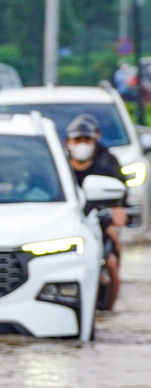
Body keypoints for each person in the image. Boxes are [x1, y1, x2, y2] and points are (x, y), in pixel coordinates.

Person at [66, 113, 130, 310]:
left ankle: (109, 305)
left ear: (95, 140)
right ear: (68, 142)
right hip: (68, 220)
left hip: (99, 216)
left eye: (87, 140)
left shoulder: (106, 162)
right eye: (78, 140)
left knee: (111, 255)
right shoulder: (59, 164)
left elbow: (121, 193)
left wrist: (117, 212)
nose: (82, 144)